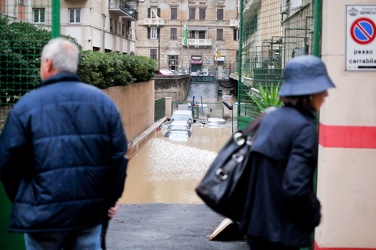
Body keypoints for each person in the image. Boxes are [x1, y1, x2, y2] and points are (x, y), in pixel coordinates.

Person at [0, 37, 128, 249]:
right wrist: (108, 200)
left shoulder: (26, 106)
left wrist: (27, 200)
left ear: (48, 63)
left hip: (42, 216)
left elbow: (7, 163)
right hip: (88, 214)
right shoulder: (103, 103)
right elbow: (118, 158)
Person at [240, 55, 335, 250]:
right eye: (321, 89)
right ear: (310, 92)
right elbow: (295, 186)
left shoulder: (270, 117)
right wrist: (314, 213)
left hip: (256, 227)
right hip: (282, 231)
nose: (325, 94)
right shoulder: (304, 128)